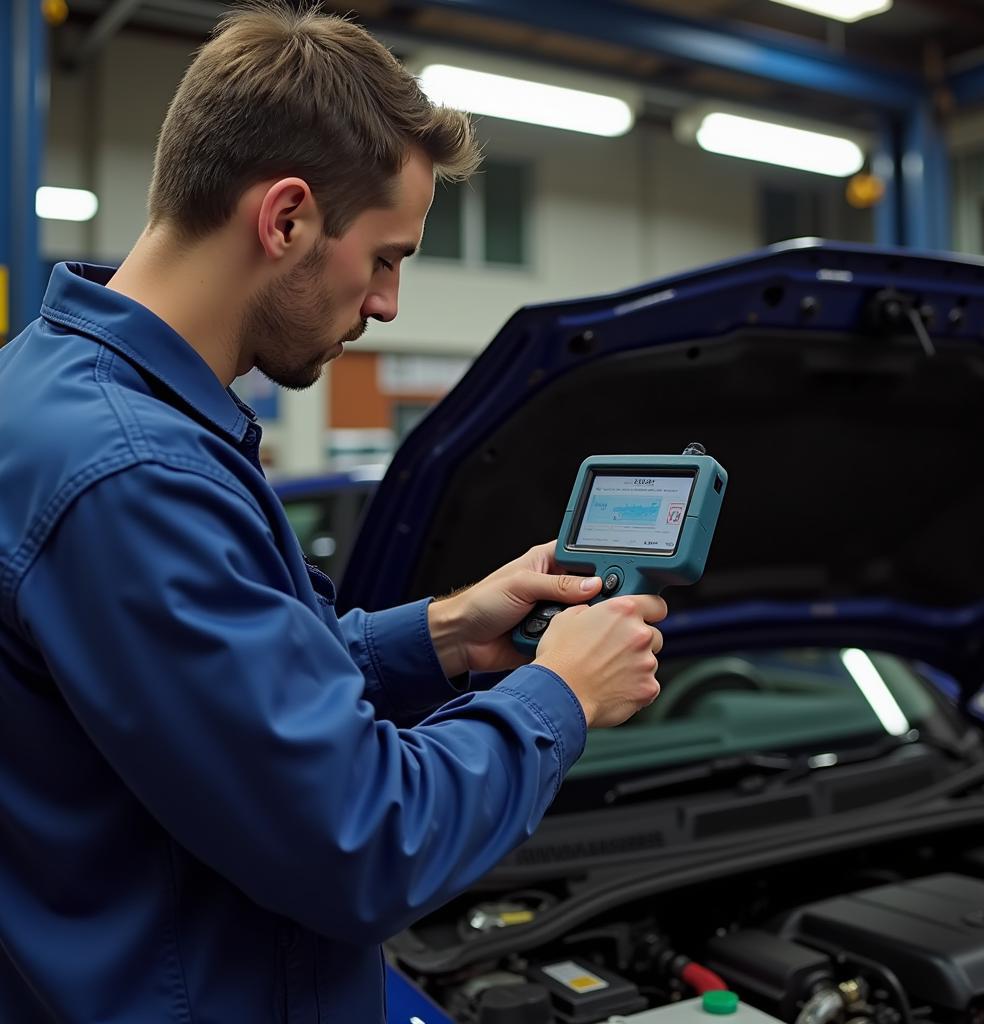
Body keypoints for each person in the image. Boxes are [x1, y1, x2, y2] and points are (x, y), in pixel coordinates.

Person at [0, 4, 667, 1022]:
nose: (390, 303)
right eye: (387, 257)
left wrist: (443, 632)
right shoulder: (132, 472)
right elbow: (362, 835)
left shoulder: (59, 393)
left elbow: (222, 699)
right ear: (287, 218)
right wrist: (561, 696)